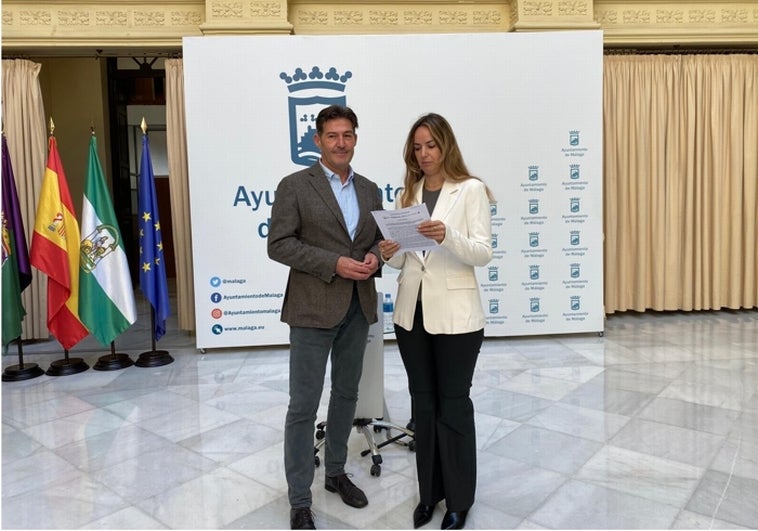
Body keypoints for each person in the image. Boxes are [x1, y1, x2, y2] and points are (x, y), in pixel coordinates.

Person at [268, 104, 384, 530]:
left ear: (356, 138)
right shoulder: (295, 186)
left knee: (347, 396)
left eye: (348, 135)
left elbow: (379, 243)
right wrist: (334, 263)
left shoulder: (370, 189)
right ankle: (300, 497)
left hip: (358, 306)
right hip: (312, 307)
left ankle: (335, 473)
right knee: (303, 406)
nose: (341, 143)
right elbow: (279, 244)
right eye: (333, 136)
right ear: (317, 141)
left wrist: (374, 256)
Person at [378, 113, 494, 530]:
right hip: (412, 314)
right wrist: (389, 250)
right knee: (422, 406)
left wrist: (449, 236)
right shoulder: (406, 191)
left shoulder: (471, 190)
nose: (423, 153)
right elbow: (402, 260)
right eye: (417, 146)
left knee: (454, 406)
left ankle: (459, 500)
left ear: (446, 145)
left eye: (430, 145)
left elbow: (482, 252)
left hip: (458, 318)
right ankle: (429, 494)